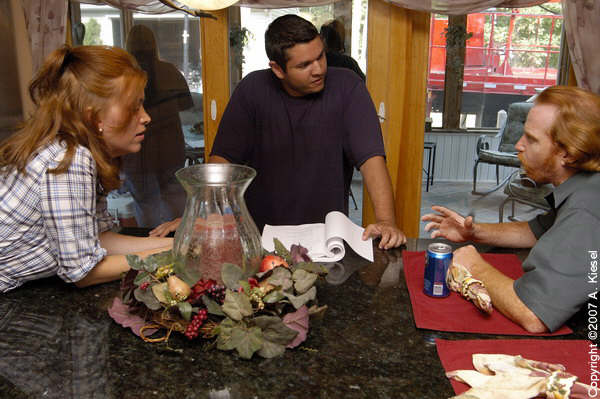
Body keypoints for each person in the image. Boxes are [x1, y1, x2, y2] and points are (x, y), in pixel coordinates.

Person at [151, 14, 405, 249]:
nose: (318, 69)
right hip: (259, 236)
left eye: (320, 57)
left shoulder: (348, 87)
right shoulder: (252, 90)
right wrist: (198, 214)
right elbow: (222, 161)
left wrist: (386, 220)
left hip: (327, 240)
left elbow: (371, 159)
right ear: (278, 69)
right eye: (304, 65)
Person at [421, 85, 600, 333]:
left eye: (532, 139)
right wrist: (474, 231)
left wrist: (474, 265)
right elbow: (535, 230)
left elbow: (535, 315)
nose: (518, 145)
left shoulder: (586, 208)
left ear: (566, 153)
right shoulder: (585, 185)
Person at [0, 45, 173, 293]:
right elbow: (84, 271)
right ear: (94, 118)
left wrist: (176, 245)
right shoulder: (70, 160)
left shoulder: (83, 151)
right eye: (134, 107)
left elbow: (97, 239)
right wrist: (168, 258)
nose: (146, 117)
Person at [121, 25, 193, 227]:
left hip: (165, 148)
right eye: (140, 44)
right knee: (150, 202)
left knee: (164, 200)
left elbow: (186, 103)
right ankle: (161, 244)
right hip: (142, 152)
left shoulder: (166, 71)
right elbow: (185, 105)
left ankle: (174, 240)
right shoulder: (127, 77)